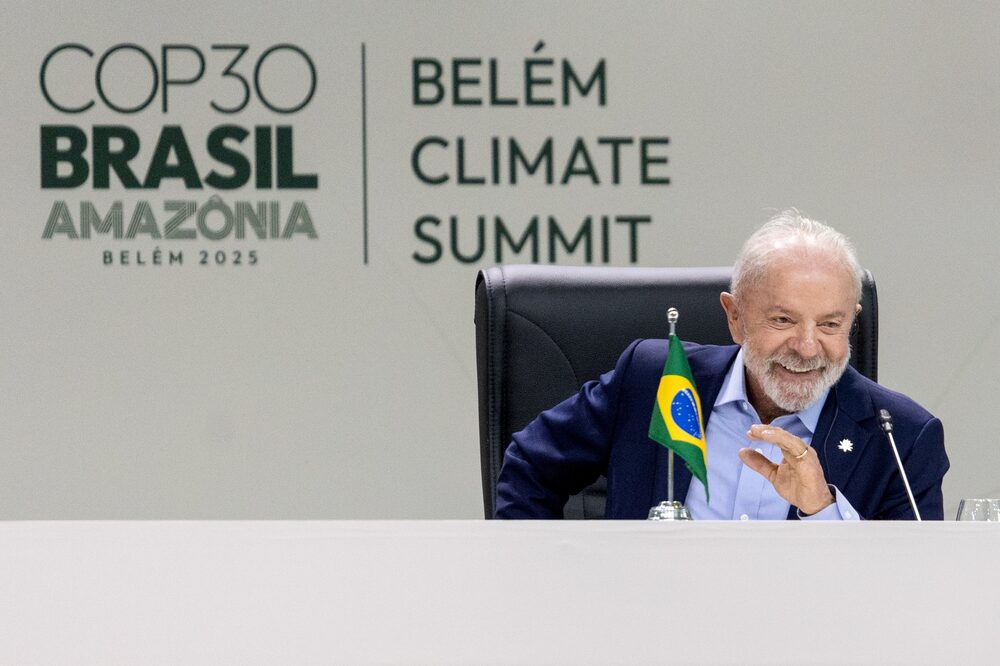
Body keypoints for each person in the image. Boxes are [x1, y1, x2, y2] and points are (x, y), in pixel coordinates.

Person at [495, 210, 949, 520]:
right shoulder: (654, 379)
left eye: (831, 324)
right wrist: (553, 592)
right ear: (735, 317)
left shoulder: (902, 438)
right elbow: (530, 466)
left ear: (853, 320)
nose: (808, 347)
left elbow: (912, 588)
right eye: (783, 320)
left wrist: (822, 511)